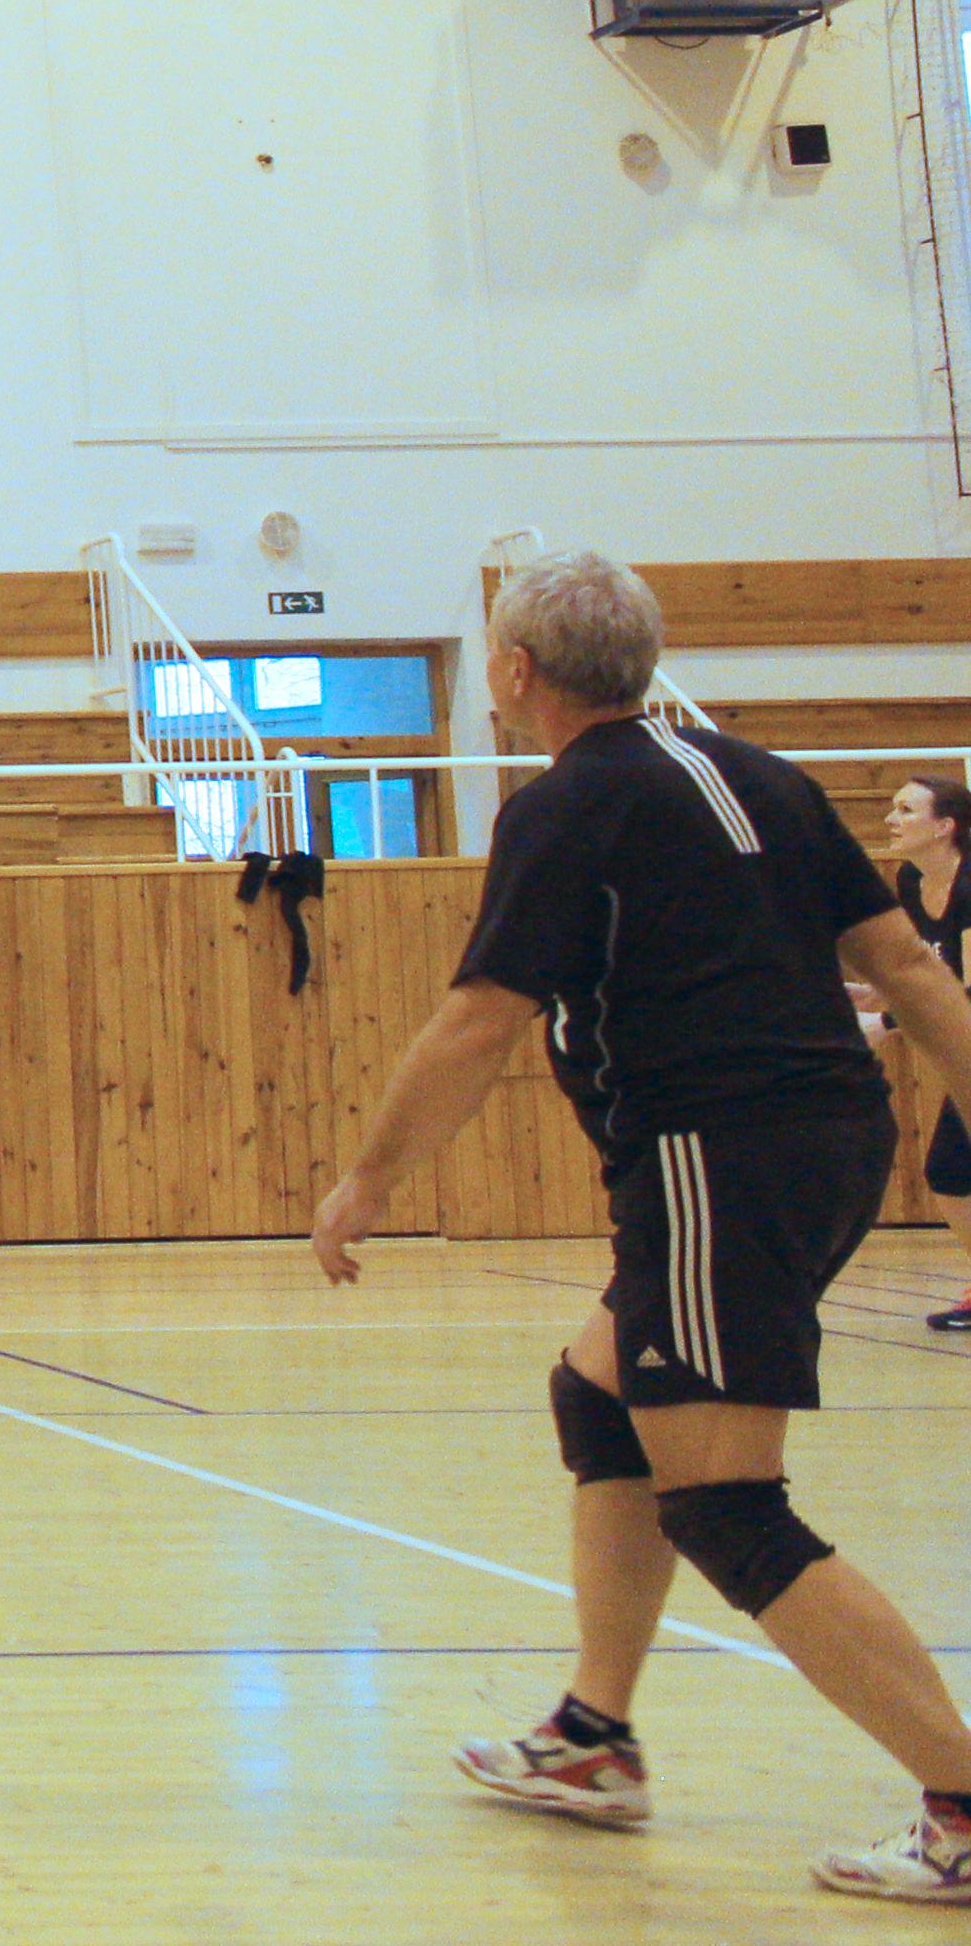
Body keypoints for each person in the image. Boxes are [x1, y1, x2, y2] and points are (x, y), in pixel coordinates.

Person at [316, 551, 971, 1903]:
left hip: (715, 1158)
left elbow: (479, 1021)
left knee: (728, 1505)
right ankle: (592, 1740)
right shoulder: (764, 775)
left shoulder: (569, 808)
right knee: (601, 1394)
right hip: (823, 1141)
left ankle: (962, 1799)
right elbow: (906, 966)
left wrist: (368, 1181)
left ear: (514, 672)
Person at [877, 777, 971, 1330]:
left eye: (906, 810)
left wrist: (887, 1021)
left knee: (953, 1168)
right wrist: (872, 998)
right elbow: (928, 975)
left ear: (944, 826)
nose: (892, 819)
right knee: (952, 1172)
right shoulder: (911, 881)